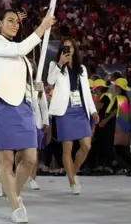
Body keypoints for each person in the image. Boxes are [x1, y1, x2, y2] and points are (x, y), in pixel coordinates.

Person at [0, 9, 55, 223]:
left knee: (31, 159)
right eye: (10, 21)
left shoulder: (18, 53)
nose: (15, 25)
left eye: (17, 22)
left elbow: (19, 71)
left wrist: (35, 89)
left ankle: (14, 193)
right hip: (4, 106)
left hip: (23, 107)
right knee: (6, 161)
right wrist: (43, 27)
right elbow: (21, 46)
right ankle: (15, 206)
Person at [47, 38, 99, 194]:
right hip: (65, 110)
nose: (68, 50)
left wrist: (93, 110)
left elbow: (86, 92)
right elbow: (50, 81)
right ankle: (72, 182)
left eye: (71, 47)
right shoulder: (54, 65)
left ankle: (73, 172)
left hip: (80, 109)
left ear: (75, 49)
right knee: (67, 148)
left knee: (86, 145)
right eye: (65, 47)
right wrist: (60, 64)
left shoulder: (81, 68)